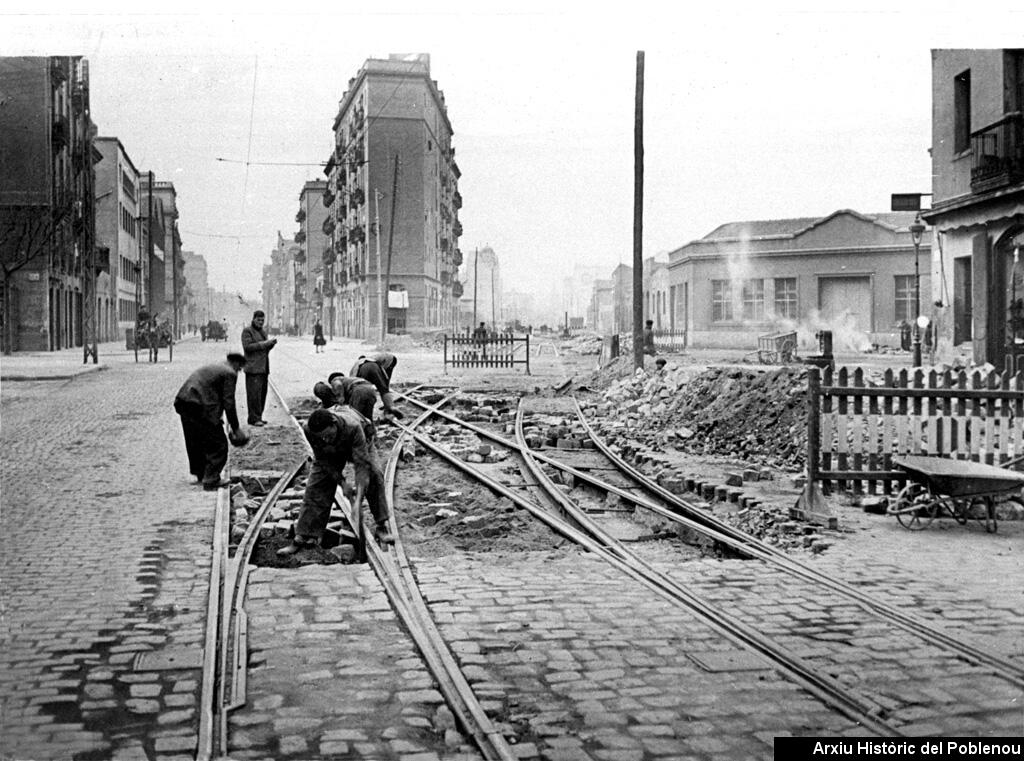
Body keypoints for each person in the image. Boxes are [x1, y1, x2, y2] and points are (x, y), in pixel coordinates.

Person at [277, 407, 393, 555]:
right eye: (322, 437)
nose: (325, 439)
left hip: (361, 445)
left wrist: (357, 500)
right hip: (330, 452)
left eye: (327, 435)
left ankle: (381, 525)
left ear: (334, 424)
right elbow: (323, 460)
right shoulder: (309, 429)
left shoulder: (353, 427)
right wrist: (342, 482)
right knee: (316, 485)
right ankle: (303, 536)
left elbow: (361, 465)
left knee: (375, 475)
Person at [173, 353, 248, 491]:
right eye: (240, 368)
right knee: (218, 444)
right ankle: (211, 479)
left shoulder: (218, 366)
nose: (239, 371)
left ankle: (201, 473)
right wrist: (236, 428)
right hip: (199, 404)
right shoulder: (230, 373)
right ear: (237, 364)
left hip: (184, 401)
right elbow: (229, 402)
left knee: (195, 439)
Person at [241, 310, 277, 426]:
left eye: (262, 320)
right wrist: (265, 344)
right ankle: (254, 418)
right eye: (259, 320)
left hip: (263, 368)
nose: (261, 322)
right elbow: (248, 347)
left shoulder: (263, 332)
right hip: (253, 369)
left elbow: (264, 350)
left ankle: (259, 417)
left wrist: (270, 345)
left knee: (262, 394)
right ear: (253, 319)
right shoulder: (247, 331)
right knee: (254, 395)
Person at [349, 353, 404, 419]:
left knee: (363, 391)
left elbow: (352, 381)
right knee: (383, 388)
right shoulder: (375, 359)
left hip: (362, 372)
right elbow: (386, 378)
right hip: (374, 367)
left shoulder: (356, 365)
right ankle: (390, 407)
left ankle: (360, 415)